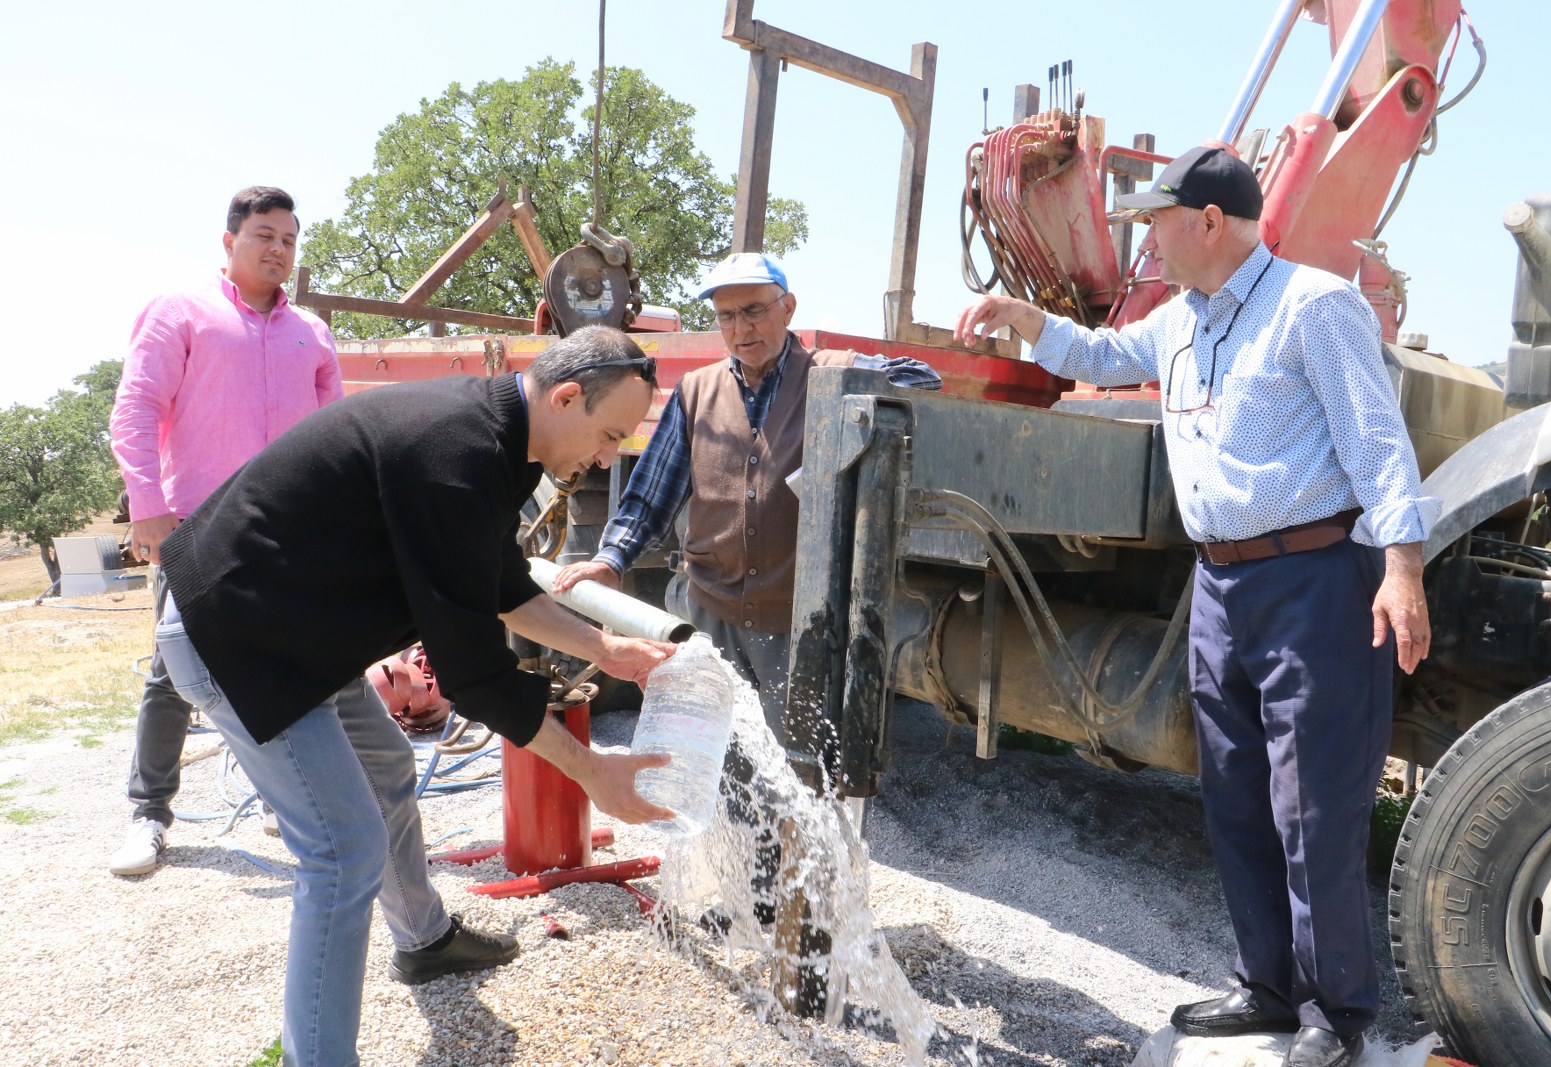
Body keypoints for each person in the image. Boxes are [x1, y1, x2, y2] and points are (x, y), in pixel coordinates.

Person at [954, 145, 1436, 1067]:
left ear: (1209, 222)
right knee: (1236, 795)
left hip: (1318, 579)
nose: (1147, 240)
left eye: (1156, 222)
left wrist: (1402, 566)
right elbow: (1098, 352)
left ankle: (1336, 1015)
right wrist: (1023, 318)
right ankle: (1266, 988)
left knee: (1315, 807)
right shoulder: (1181, 321)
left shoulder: (1315, 306)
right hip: (1220, 584)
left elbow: (1379, 444)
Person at [153, 325, 676, 1066]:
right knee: (341, 851)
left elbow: (499, 584)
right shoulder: (455, 456)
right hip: (238, 637)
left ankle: (424, 942)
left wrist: (604, 646)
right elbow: (473, 674)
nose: (604, 458)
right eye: (607, 435)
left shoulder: (499, 442)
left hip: (302, 631)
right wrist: (593, 773)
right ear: (565, 396)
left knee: (390, 771)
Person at [552, 252, 941, 731]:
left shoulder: (830, 374)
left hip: (800, 625)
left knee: (799, 767)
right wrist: (611, 560)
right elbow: (651, 495)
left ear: (788, 308)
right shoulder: (696, 391)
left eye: (754, 310)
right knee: (717, 754)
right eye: (727, 316)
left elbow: (925, 380)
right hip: (709, 615)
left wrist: (854, 381)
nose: (741, 328)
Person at [108, 186, 344, 876]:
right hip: (198, 523)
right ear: (229, 240)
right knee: (172, 673)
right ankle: (148, 813)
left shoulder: (312, 332)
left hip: (291, 526)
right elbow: (135, 409)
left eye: (290, 240)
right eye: (264, 235)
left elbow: (333, 438)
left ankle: (286, 797)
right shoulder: (182, 312)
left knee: (298, 661)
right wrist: (146, 505)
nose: (278, 249)